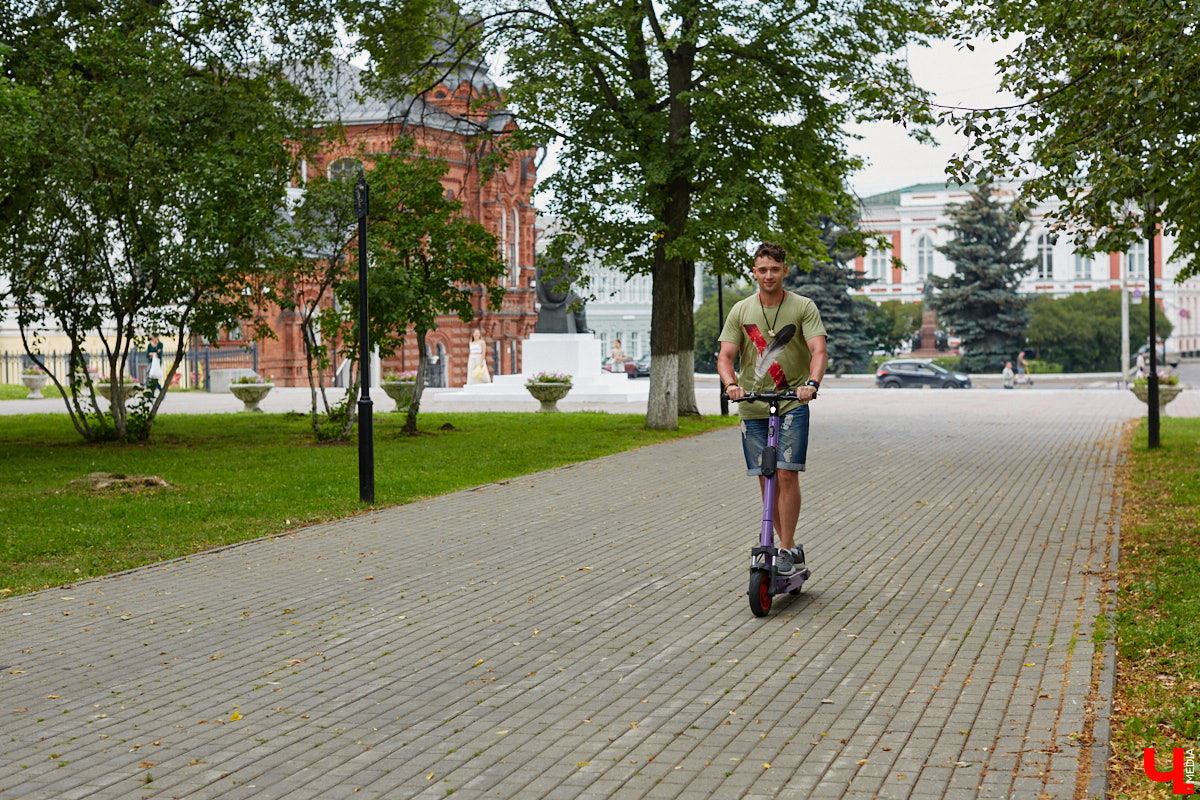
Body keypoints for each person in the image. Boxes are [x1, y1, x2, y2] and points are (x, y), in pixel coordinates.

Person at [717, 242, 827, 576]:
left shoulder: (803, 306)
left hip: (792, 401)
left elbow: (818, 350)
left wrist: (812, 383)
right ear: (754, 272)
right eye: (763, 269)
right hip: (753, 404)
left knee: (786, 473)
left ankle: (787, 547)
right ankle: (783, 547)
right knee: (767, 479)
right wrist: (731, 385)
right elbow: (725, 357)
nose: (769, 275)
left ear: (784, 271)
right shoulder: (741, 311)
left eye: (775, 270)